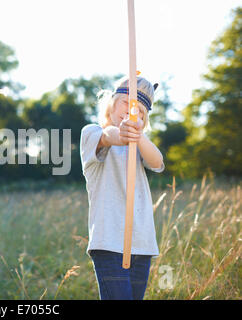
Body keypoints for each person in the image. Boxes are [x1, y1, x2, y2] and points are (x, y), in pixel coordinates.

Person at [80, 76, 164, 300]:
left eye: (141, 113)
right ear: (112, 103)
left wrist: (138, 135)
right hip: (109, 243)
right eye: (126, 103)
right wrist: (125, 133)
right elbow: (109, 136)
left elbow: (157, 162)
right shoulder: (92, 133)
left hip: (142, 244)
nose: (131, 112)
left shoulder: (140, 146)